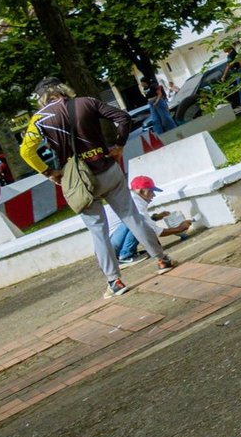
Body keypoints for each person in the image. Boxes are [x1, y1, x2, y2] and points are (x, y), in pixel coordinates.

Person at [20, 79, 174, 298]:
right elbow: (123, 118)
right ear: (64, 89)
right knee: (131, 216)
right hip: (107, 169)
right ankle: (161, 259)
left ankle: (115, 282)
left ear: (42, 98)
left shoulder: (39, 119)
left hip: (78, 181)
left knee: (98, 231)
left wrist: (48, 172)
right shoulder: (87, 102)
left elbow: (26, 152)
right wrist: (119, 146)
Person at [111, 175, 196, 263]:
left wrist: (155, 218)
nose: (154, 195)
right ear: (141, 191)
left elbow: (145, 222)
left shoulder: (132, 199)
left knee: (136, 222)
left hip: (112, 244)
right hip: (113, 246)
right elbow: (153, 230)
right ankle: (126, 255)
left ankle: (125, 253)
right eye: (151, 191)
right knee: (137, 223)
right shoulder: (136, 204)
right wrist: (180, 229)